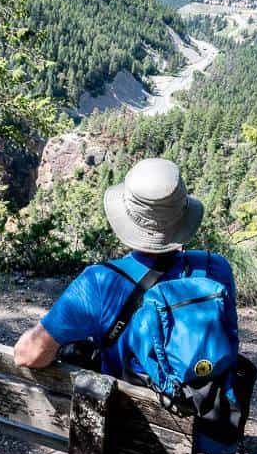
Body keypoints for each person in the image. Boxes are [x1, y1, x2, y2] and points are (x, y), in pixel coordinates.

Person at [13, 157, 238, 380]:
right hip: (207, 408)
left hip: (124, 413)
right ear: (182, 216)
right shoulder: (216, 268)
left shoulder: (98, 282)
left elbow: (28, 355)